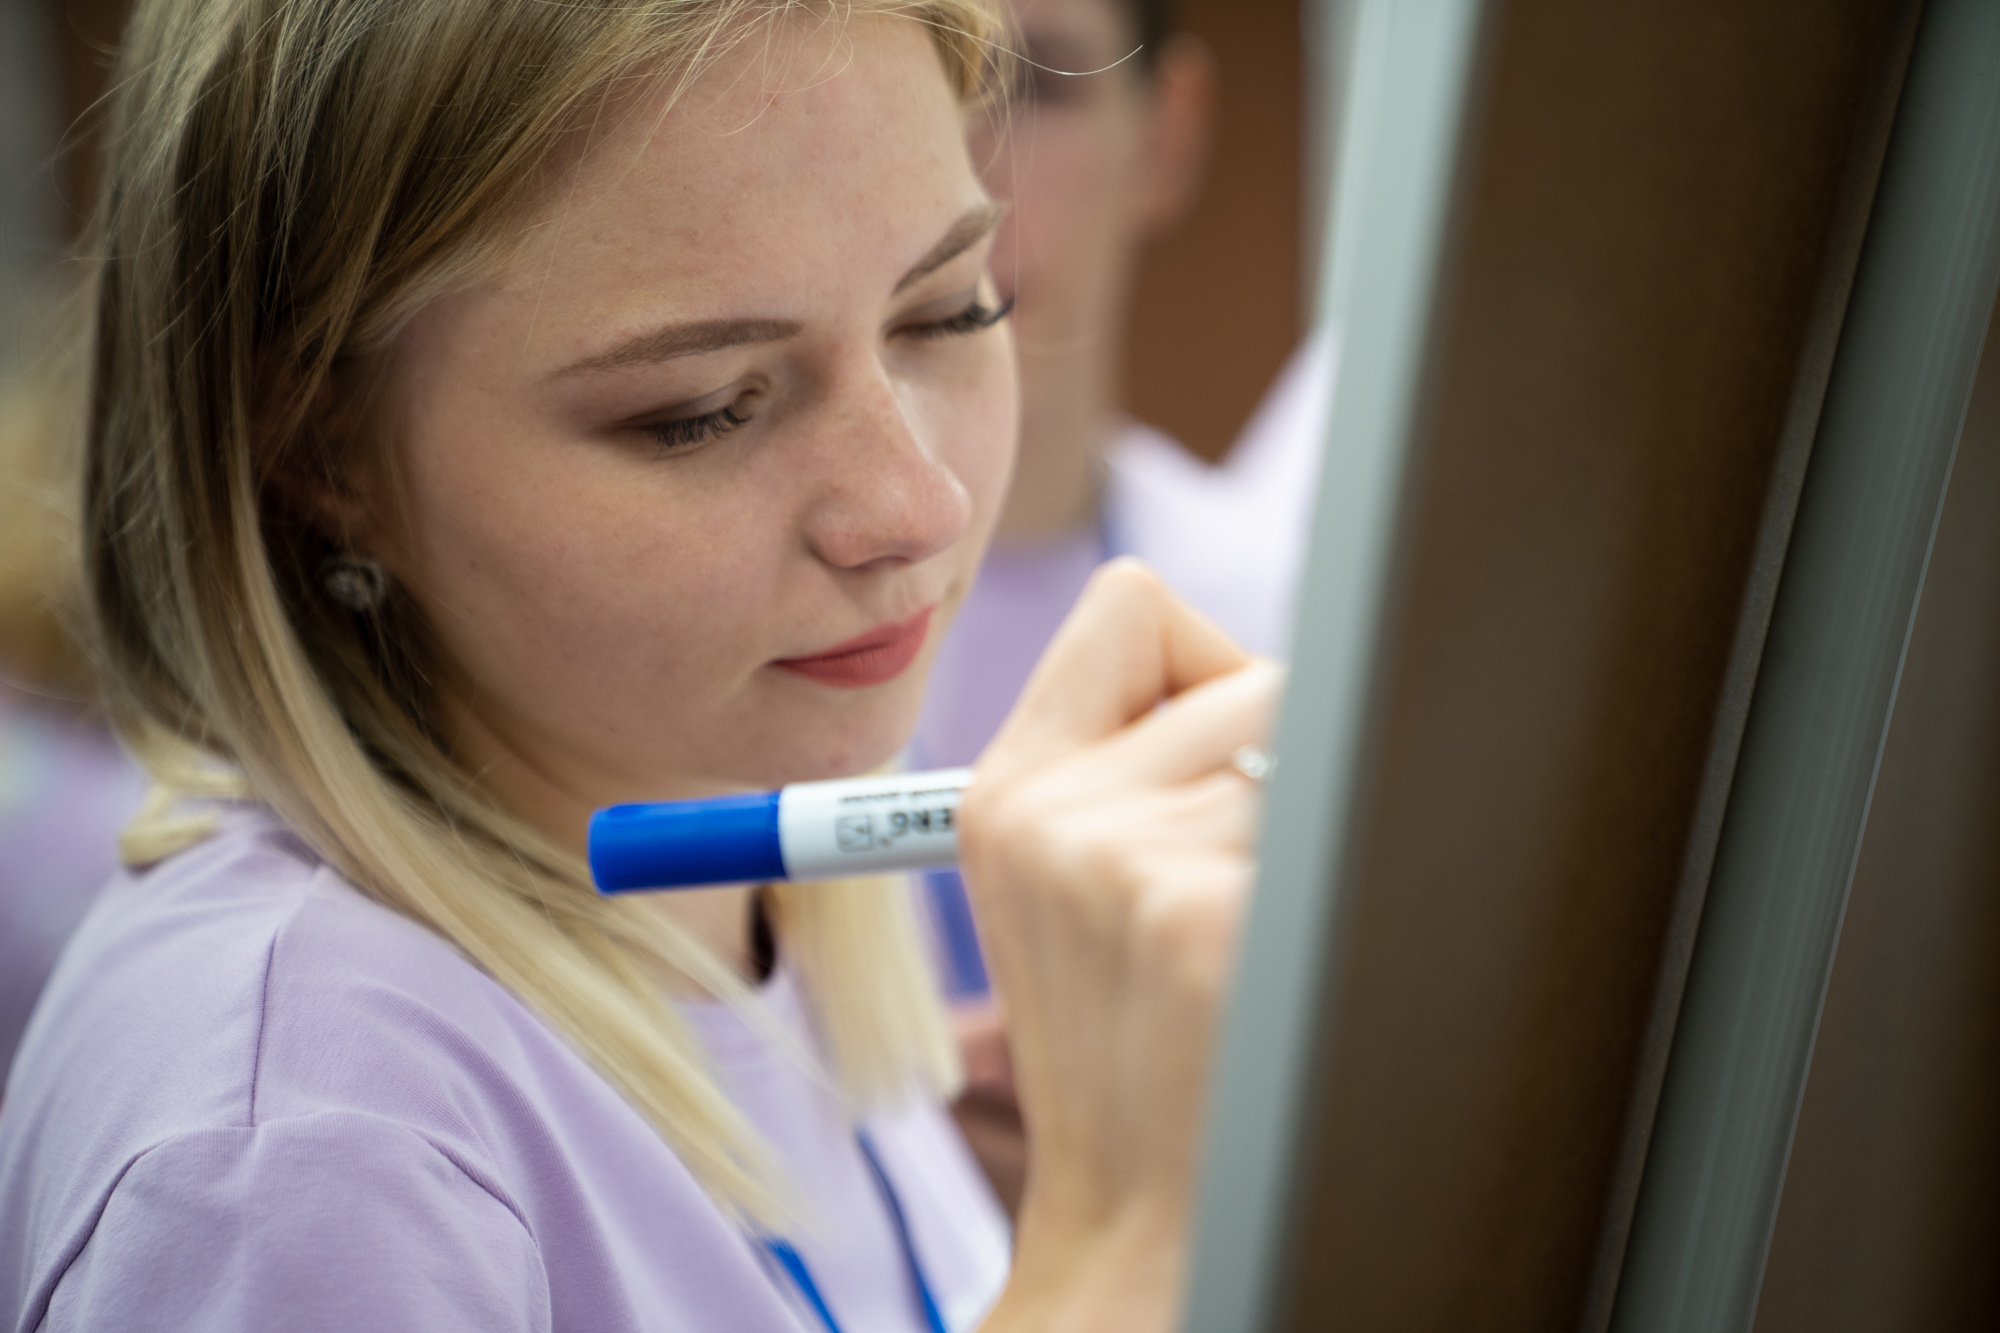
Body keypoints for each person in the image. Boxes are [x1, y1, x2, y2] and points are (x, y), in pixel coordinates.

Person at [0, 2, 1278, 1330]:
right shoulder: (303, 1158)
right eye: (701, 412)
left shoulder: (727, 810)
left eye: (953, 311)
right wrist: (1120, 1245)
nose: (920, 505)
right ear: (320, 455)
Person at [912, 0, 1334, 1208]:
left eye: (1034, 83)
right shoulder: (669, 660)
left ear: (1167, 137)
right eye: (915, 66)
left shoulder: (1294, 629)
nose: (954, 162)